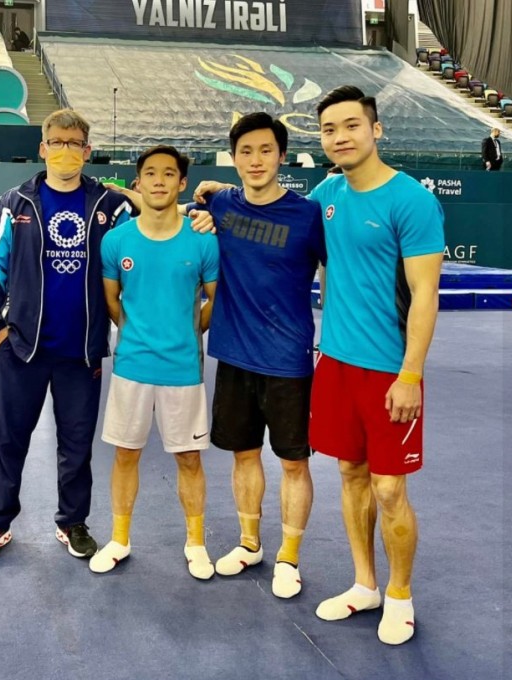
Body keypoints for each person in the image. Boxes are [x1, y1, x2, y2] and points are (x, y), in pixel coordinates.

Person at [307, 86, 444, 645]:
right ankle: (364, 583)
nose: (339, 137)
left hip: (389, 370)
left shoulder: (410, 201)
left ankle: (400, 595)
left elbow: (426, 293)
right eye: (329, 129)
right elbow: (278, 223)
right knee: (351, 474)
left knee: (389, 490)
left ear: (375, 129)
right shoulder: (325, 193)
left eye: (351, 125)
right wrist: (221, 200)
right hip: (336, 362)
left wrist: (410, 375)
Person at [0, 109, 131, 560]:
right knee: (9, 439)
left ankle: (73, 522)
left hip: (81, 352)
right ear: (42, 148)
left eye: (73, 143)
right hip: (22, 348)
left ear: (87, 151)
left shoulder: (110, 207)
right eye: (56, 142)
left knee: (77, 445)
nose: (64, 150)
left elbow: (139, 251)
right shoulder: (14, 204)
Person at [186, 113, 326, 599]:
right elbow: (175, 213)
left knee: (293, 463)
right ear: (233, 158)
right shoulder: (219, 203)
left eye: (266, 150)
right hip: (233, 355)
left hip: (288, 360)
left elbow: (336, 270)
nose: (256, 160)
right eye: (245, 151)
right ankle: (249, 544)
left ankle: (289, 556)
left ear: (282, 156)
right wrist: (203, 203)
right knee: (243, 454)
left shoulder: (308, 215)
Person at [89, 146, 220, 580]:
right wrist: (137, 334)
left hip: (183, 370)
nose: (159, 180)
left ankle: (196, 543)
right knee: (125, 455)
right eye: (150, 173)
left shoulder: (202, 239)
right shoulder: (117, 240)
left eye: (168, 174)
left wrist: (186, 331)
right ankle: (119, 539)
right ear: (138, 183)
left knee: (189, 459)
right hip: (132, 367)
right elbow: (112, 301)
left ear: (182, 183)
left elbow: (215, 301)